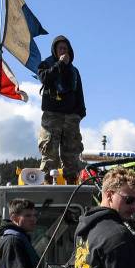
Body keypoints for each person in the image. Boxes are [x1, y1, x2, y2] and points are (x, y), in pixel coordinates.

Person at [37, 35, 86, 184]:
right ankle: (47, 185)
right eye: (60, 48)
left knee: (72, 155)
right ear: (55, 51)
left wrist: (79, 113)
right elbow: (45, 78)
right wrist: (59, 64)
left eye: (65, 48)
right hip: (52, 115)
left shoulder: (74, 71)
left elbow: (79, 93)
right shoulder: (46, 65)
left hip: (71, 117)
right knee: (50, 152)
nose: (63, 51)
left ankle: (72, 186)